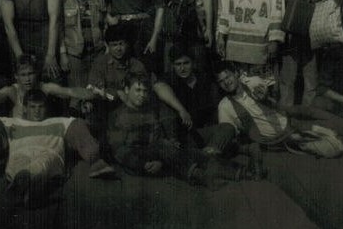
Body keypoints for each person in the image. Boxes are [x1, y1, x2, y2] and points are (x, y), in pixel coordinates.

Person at [0, 89, 115, 206]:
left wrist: (94, 155)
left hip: (48, 154)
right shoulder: (11, 123)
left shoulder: (60, 122)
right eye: (32, 107)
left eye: (40, 107)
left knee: (42, 162)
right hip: (20, 154)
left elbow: (80, 128)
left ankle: (96, 163)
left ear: (46, 108)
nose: (37, 111)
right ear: (25, 108)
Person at [108, 73, 252, 189]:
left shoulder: (151, 109)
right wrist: (142, 165)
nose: (142, 95)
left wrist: (162, 159)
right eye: (137, 90)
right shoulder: (118, 115)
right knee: (168, 147)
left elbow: (162, 134)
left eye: (145, 91)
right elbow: (119, 151)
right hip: (139, 162)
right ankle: (200, 176)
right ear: (126, 90)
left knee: (193, 152)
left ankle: (239, 172)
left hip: (162, 154)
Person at [215, 63, 343, 152]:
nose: (227, 82)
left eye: (228, 76)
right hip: (289, 131)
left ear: (236, 74)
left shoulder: (253, 82)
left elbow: (272, 102)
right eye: (222, 81)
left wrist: (266, 98)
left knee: (340, 124)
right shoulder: (225, 106)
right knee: (341, 134)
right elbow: (226, 130)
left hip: (290, 113)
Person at [86, 25, 192, 137]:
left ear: (127, 44)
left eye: (121, 44)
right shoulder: (100, 64)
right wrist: (115, 94)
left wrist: (180, 110)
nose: (118, 49)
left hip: (135, 106)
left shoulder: (136, 64)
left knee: (165, 114)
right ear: (107, 45)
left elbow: (149, 88)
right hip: (110, 108)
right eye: (114, 45)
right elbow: (95, 91)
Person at [0, 54, 104, 119]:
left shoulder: (44, 87)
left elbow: (70, 91)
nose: (27, 79)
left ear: (36, 73)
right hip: (20, 137)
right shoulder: (11, 91)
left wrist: (94, 94)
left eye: (30, 74)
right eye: (23, 75)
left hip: (42, 134)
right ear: (16, 76)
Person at [59, 0, 107, 106]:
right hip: (74, 53)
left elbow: (104, 23)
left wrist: (105, 46)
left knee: (96, 95)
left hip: (96, 52)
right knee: (77, 96)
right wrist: (63, 53)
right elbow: (58, 27)